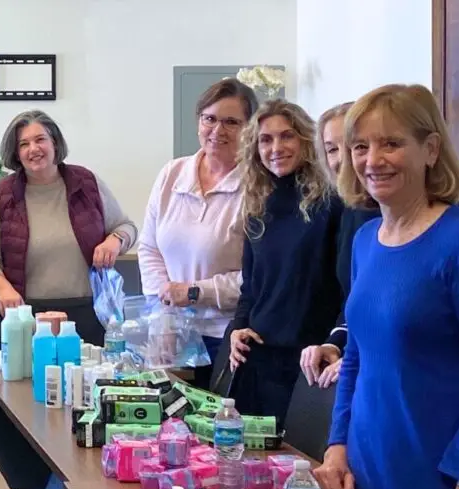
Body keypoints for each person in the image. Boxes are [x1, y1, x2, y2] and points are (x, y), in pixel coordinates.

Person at [313, 84, 459, 489]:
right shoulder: (366, 240)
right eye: (360, 146)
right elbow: (356, 358)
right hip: (365, 477)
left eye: (391, 143)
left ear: (431, 149)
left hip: (440, 487)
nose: (372, 160)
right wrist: (337, 445)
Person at [0, 109, 137, 344]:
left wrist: (115, 241)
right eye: (24, 144)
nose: (33, 149)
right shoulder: (1, 196)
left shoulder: (88, 184)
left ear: (55, 143)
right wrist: (3, 288)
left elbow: (126, 227)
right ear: (16, 153)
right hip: (27, 316)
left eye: (40, 139)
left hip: (90, 313)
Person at [227, 99, 342, 426]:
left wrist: (335, 344)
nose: (276, 148)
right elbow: (251, 287)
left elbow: (346, 289)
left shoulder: (332, 205)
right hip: (257, 360)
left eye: (287, 136)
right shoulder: (257, 206)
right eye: (266, 139)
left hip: (309, 364)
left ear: (306, 140)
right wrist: (237, 328)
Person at [138, 79, 258, 385]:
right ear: (198, 122)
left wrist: (194, 292)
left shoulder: (258, 187)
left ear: (249, 129)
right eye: (210, 119)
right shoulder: (172, 173)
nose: (218, 130)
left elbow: (258, 276)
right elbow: (149, 248)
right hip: (170, 333)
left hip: (227, 336)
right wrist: (165, 314)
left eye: (231, 122)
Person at [298, 101, 381, 387]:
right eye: (332, 149)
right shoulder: (351, 211)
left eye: (353, 146)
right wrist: (334, 345)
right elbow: (354, 301)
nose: (342, 158)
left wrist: (360, 357)